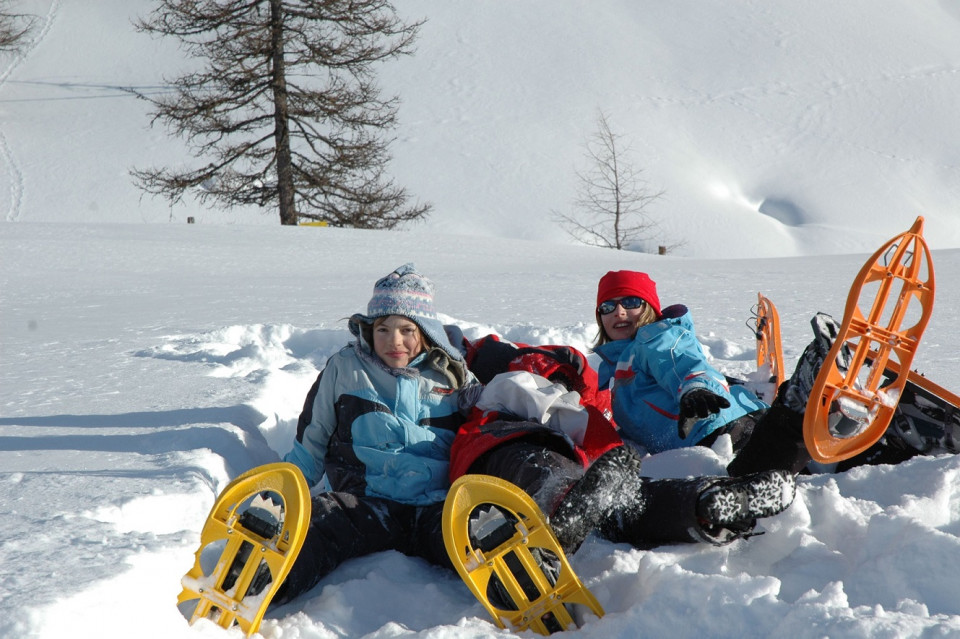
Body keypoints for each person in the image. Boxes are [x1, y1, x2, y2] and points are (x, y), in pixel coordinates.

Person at [446, 331, 796, 554]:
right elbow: (550, 406)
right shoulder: (511, 382)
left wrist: (611, 468)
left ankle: (704, 504)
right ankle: (568, 511)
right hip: (503, 446)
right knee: (546, 469)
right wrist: (608, 455)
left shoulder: (595, 399)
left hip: (577, 474)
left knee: (628, 504)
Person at [589, 269, 959, 478]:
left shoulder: (655, 339)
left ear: (650, 309)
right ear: (600, 317)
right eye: (609, 305)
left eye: (632, 302)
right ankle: (894, 442)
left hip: (715, 430)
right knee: (811, 469)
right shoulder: (613, 367)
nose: (620, 312)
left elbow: (683, 364)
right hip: (720, 429)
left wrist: (694, 389)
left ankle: (803, 393)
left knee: (755, 476)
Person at [275, 263, 481, 604]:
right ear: (369, 329)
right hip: (365, 503)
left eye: (406, 330)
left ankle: (529, 593)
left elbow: (484, 431)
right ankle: (258, 582)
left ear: (425, 332)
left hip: (436, 507)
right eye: (383, 329)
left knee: (482, 534)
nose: (393, 341)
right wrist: (281, 491)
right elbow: (312, 439)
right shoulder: (345, 368)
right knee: (318, 523)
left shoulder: (452, 377)